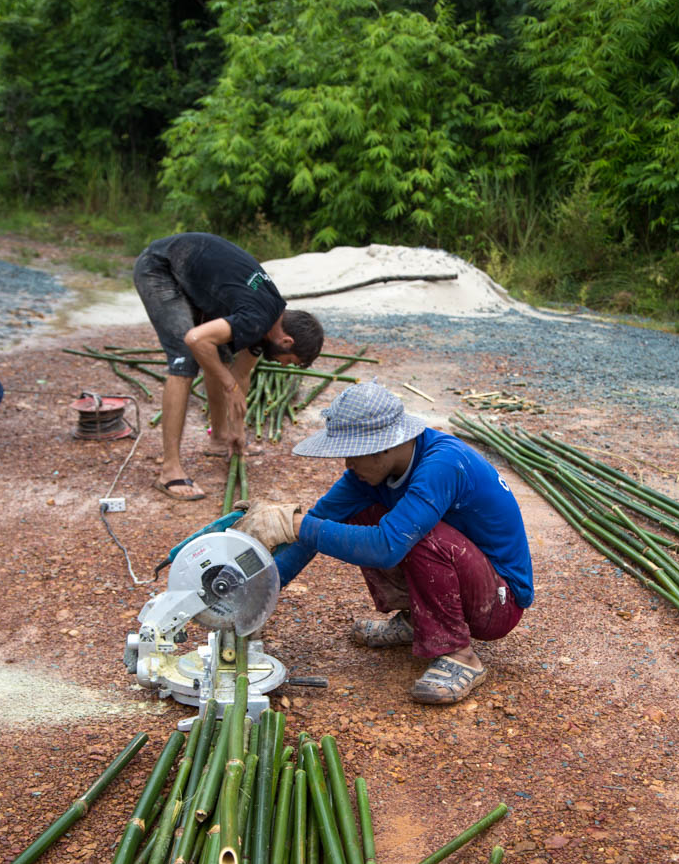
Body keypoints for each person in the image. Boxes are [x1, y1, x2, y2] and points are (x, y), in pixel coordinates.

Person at [237, 381, 534, 704]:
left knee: (411, 537)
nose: (347, 465)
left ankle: (461, 656)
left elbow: (386, 546)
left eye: (353, 454)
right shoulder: (366, 477)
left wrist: (294, 523)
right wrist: (257, 597)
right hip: (467, 581)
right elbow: (311, 534)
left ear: (384, 445)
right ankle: (418, 620)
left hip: (498, 603)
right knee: (354, 516)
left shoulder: (443, 464)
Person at [133, 232, 324, 500]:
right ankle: (169, 470)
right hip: (160, 268)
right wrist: (229, 384)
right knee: (185, 359)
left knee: (219, 355)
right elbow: (195, 339)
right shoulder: (259, 318)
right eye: (289, 361)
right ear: (286, 340)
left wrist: (237, 429)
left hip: (191, 275)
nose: (283, 364)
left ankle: (220, 437)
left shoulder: (270, 320)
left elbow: (241, 373)